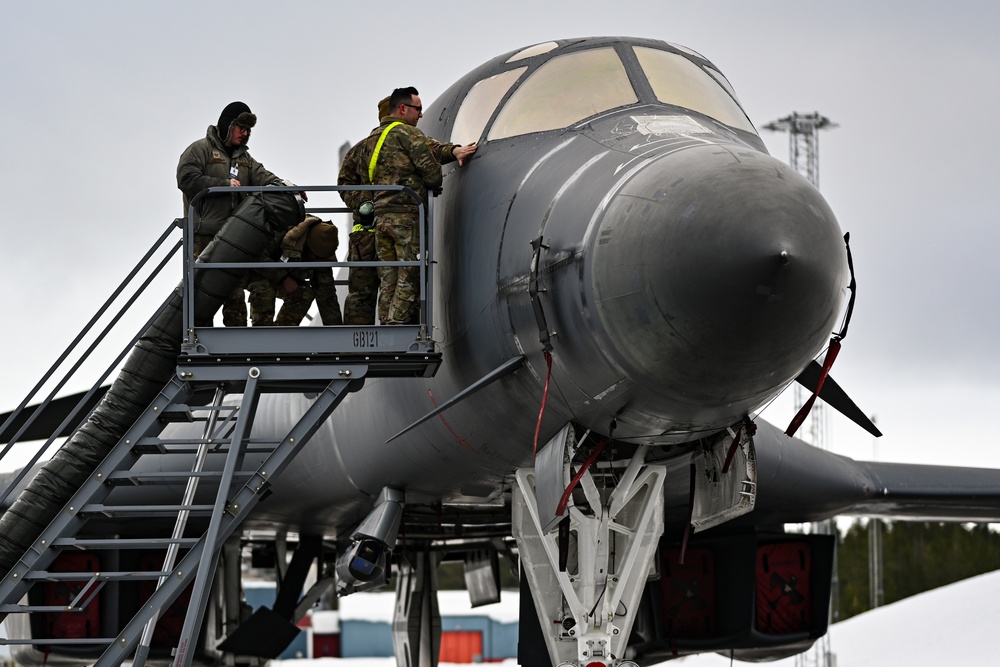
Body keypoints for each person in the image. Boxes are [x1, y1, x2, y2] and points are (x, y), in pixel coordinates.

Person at [351, 89, 477, 325]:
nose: (421, 115)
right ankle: (397, 325)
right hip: (406, 218)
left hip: (381, 219)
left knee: (388, 278)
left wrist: (453, 150)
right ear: (403, 109)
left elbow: (431, 147)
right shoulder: (407, 133)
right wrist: (433, 184)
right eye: (418, 109)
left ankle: (387, 324)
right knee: (410, 273)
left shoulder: (370, 140)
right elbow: (428, 166)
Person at [176, 101, 285, 326]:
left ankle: (239, 346)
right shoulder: (200, 149)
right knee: (203, 293)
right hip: (203, 236)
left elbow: (263, 176)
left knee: (235, 292)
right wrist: (222, 184)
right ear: (228, 125)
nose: (245, 134)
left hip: (233, 236)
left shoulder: (245, 160)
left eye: (248, 131)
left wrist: (286, 187)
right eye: (241, 128)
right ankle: (197, 337)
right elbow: (186, 179)